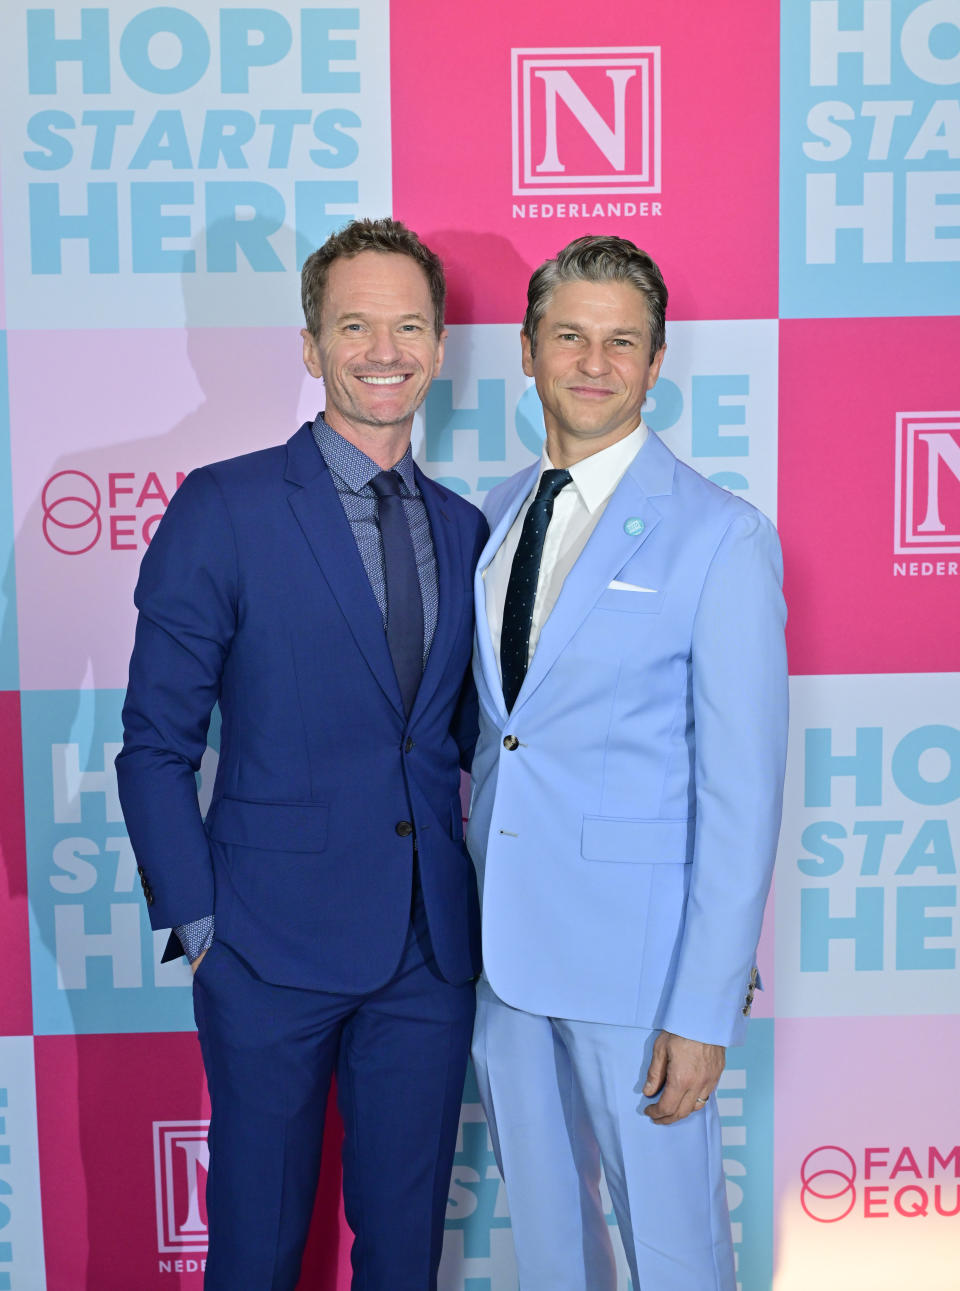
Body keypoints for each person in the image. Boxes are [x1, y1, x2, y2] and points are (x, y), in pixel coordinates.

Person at [116, 218, 487, 1290]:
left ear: (440, 340)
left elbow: (468, 738)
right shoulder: (223, 507)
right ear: (312, 344)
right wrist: (201, 927)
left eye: (409, 324)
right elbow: (153, 744)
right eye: (356, 324)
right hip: (266, 950)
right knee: (259, 1242)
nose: (385, 348)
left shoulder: (466, 529)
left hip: (428, 950)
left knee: (405, 1246)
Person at [466, 234, 788, 1291]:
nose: (593, 362)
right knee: (550, 1245)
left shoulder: (719, 534)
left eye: (622, 342)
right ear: (526, 350)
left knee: (675, 1246)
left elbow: (741, 794)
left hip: (641, 973)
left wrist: (701, 1011)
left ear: (656, 364)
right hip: (501, 955)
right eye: (569, 336)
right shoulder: (501, 512)